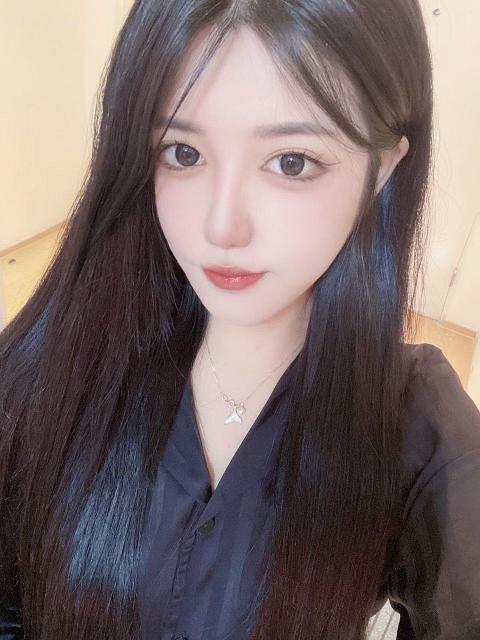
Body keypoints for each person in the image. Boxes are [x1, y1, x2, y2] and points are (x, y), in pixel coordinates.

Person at [1, 1, 479, 639]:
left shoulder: (420, 435)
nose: (221, 226)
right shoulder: (61, 353)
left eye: (291, 162)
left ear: (382, 169)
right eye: (183, 152)